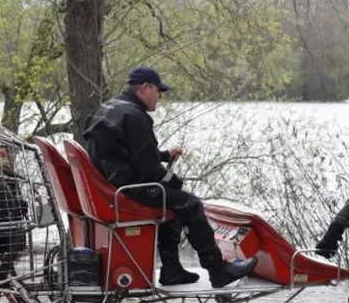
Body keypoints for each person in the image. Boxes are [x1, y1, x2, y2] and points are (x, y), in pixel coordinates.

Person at [82, 66, 258, 289]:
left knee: (171, 200)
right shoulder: (135, 116)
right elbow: (151, 172)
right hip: (128, 189)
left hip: (111, 185)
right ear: (145, 88)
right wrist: (178, 184)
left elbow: (123, 151)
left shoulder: (107, 108)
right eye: (158, 90)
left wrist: (164, 155)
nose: (160, 96)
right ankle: (218, 269)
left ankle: (172, 270)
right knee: (190, 204)